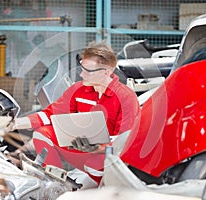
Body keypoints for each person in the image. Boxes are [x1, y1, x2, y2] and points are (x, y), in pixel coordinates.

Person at [11, 41, 140, 187]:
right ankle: (56, 183)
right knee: (42, 133)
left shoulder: (126, 97)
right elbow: (50, 114)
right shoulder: (78, 89)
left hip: (107, 158)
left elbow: (125, 139)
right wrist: (15, 123)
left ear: (106, 72)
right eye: (81, 68)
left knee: (94, 167)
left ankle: (101, 187)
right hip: (81, 150)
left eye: (88, 71)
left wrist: (99, 147)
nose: (81, 74)